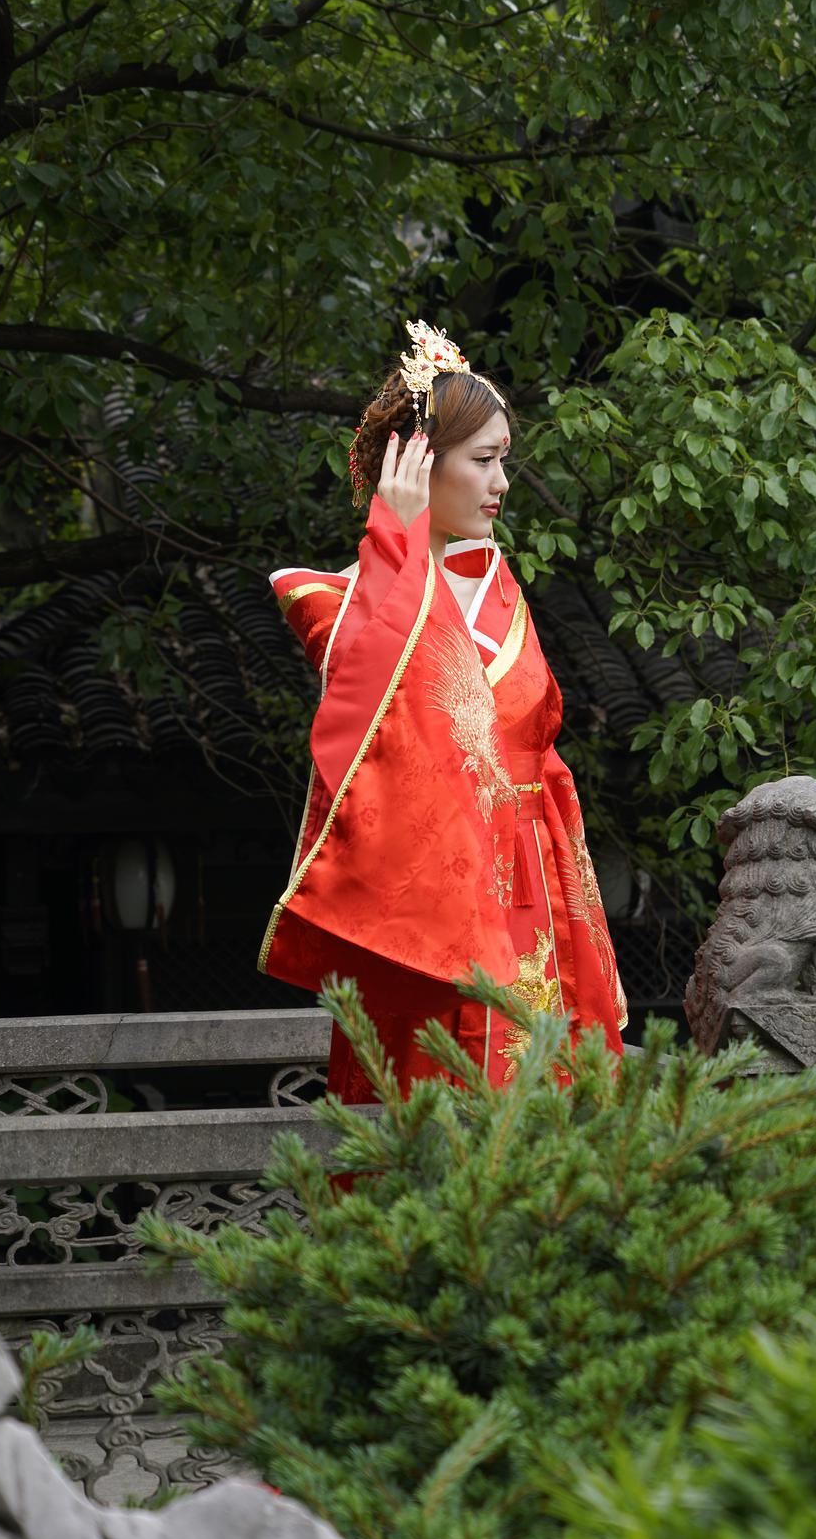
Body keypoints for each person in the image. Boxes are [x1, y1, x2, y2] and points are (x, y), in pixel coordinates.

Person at [258, 320, 628, 1099]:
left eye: (504, 460)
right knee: (440, 1111)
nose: (502, 483)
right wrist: (394, 541)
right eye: (484, 460)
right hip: (430, 909)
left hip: (532, 895)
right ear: (422, 462)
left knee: (546, 1115)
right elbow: (377, 730)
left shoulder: (497, 588)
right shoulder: (352, 601)